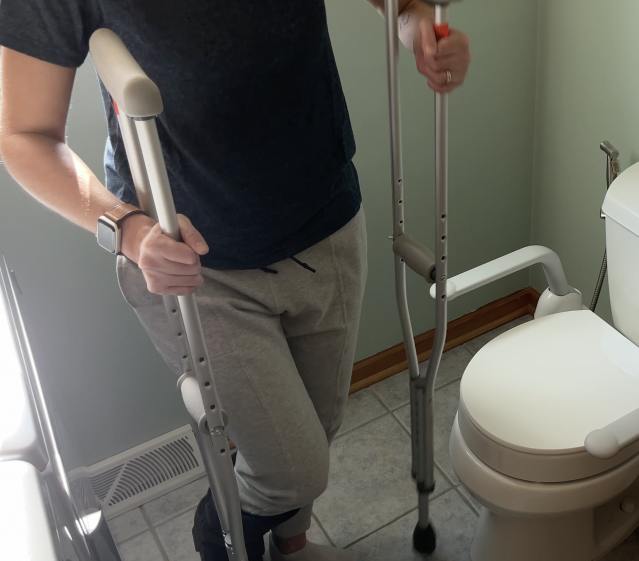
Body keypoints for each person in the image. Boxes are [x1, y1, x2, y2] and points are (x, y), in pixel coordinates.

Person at [0, 1, 470, 559]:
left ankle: (290, 548)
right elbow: (24, 135)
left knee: (315, 435)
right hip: (192, 265)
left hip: (325, 224)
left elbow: (403, 4)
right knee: (291, 468)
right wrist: (126, 229)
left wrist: (417, 28)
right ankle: (216, 537)